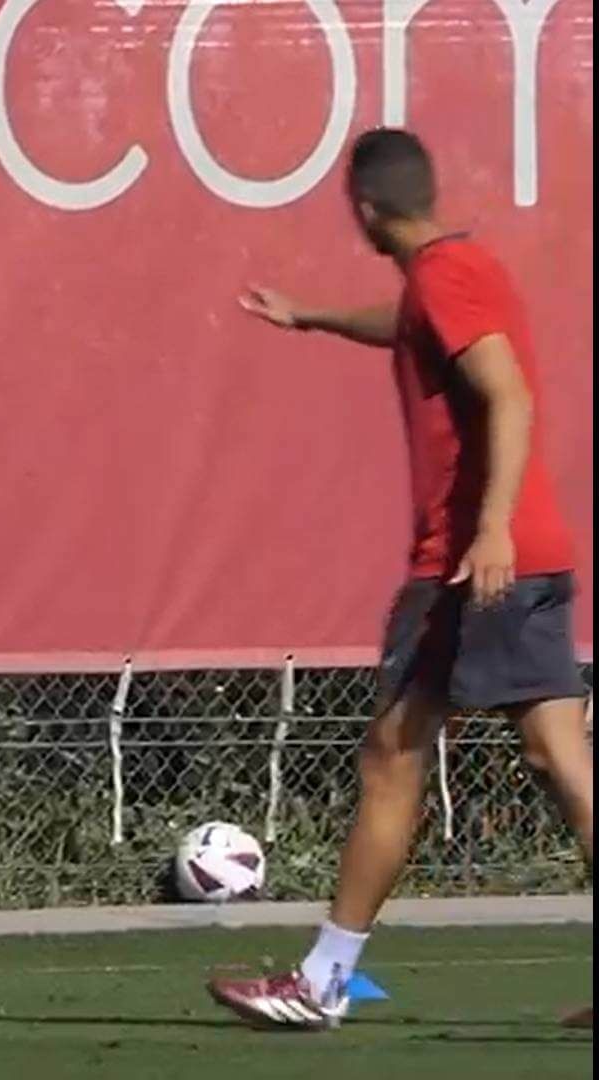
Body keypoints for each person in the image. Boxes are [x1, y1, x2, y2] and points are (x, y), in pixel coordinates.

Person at [208, 128, 592, 1031]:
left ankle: (323, 980)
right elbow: (412, 326)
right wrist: (312, 316)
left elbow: (507, 392)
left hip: (472, 563)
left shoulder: (445, 280)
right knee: (558, 757)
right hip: (524, 554)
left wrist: (489, 525)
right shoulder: (452, 274)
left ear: (367, 209)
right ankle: (324, 977)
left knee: (393, 757)